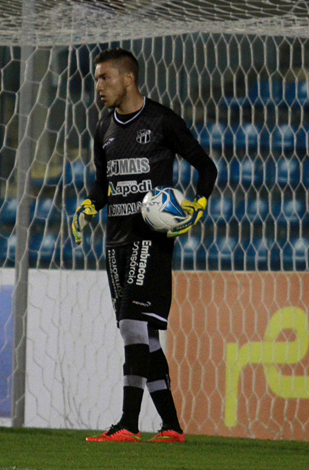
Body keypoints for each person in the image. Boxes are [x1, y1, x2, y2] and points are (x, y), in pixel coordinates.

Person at [71, 47, 217, 442]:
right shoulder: (103, 127)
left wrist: (199, 203)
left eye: (105, 78)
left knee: (134, 325)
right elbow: (104, 182)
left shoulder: (161, 120)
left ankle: (128, 423)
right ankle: (171, 426)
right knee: (140, 335)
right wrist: (89, 203)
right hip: (115, 240)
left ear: (128, 79)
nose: (98, 86)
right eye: (97, 78)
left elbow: (206, 166)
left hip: (150, 237)